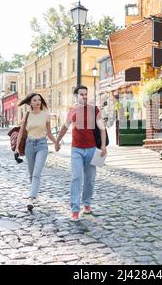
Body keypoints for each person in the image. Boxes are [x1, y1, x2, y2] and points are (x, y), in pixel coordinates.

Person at [56, 85, 107, 221]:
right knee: (76, 178)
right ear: (76, 96)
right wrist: (57, 141)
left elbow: (102, 129)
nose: (84, 96)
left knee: (90, 179)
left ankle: (87, 204)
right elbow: (65, 127)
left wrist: (103, 146)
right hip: (76, 149)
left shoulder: (93, 109)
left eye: (86, 94)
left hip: (91, 149)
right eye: (81, 94)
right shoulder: (72, 111)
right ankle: (75, 210)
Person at [16, 93, 60, 211]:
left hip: (42, 145)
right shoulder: (27, 115)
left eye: (39, 100)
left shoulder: (45, 115)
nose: (37, 102)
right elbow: (21, 132)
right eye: (34, 100)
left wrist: (56, 142)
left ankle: (32, 198)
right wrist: (16, 148)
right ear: (30, 103)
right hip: (29, 145)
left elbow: (49, 133)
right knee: (31, 174)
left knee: (36, 173)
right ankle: (34, 191)